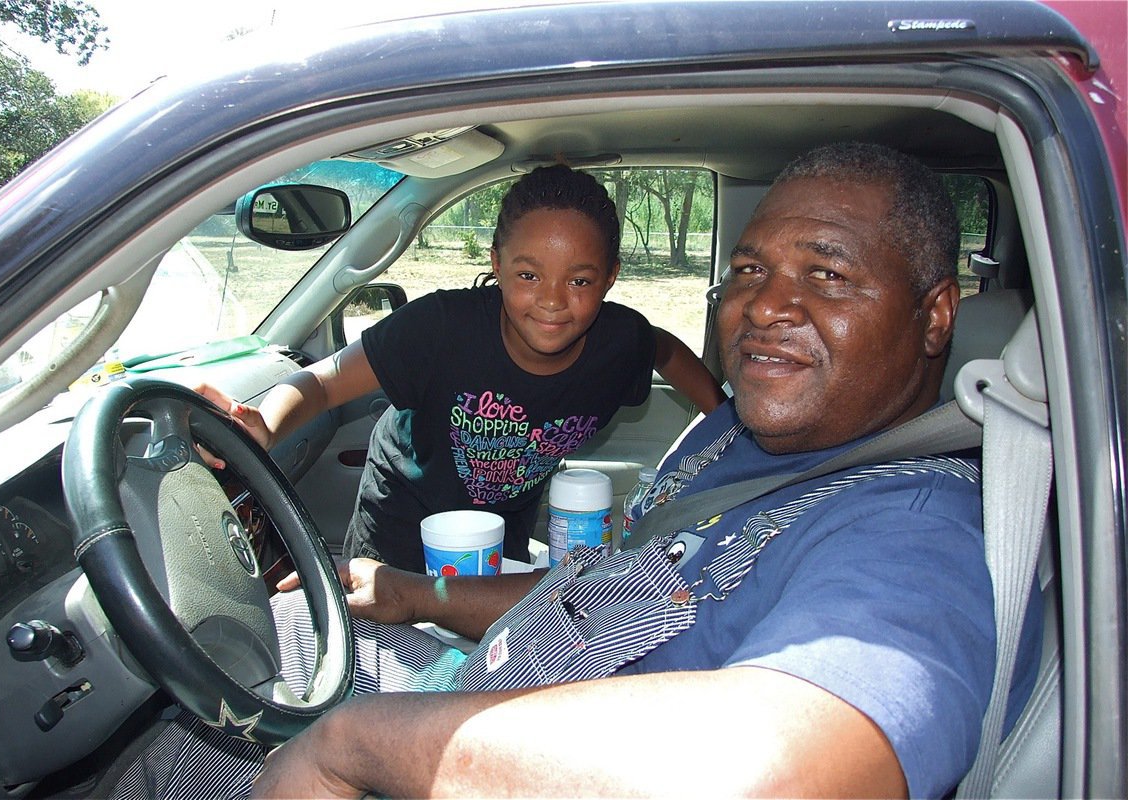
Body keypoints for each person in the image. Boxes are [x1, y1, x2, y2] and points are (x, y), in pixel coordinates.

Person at [242, 142, 1043, 799]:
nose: (766, 307)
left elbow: (791, 774)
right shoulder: (739, 434)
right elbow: (598, 593)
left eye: (827, 275)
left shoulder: (913, 530)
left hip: (505, 758)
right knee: (266, 640)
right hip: (495, 670)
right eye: (750, 272)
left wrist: (353, 746)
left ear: (937, 312)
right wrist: (415, 594)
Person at [198, 164, 726, 573]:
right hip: (404, 517)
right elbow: (323, 381)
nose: (552, 302)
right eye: (527, 274)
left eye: (580, 281)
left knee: (480, 657)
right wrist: (265, 425)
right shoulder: (440, 327)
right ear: (496, 264)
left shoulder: (619, 341)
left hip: (504, 524)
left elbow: (668, 353)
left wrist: (727, 425)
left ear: (610, 278)